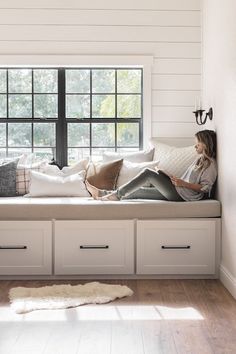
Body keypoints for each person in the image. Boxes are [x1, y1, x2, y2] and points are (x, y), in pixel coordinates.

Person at [86, 130, 217, 202]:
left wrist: (183, 184)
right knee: (138, 191)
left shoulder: (211, 165)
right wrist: (171, 177)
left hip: (183, 195)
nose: (195, 146)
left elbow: (206, 188)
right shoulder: (200, 160)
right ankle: (102, 193)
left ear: (205, 144)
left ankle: (115, 195)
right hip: (178, 189)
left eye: (198, 144)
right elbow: (187, 180)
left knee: (148, 173)